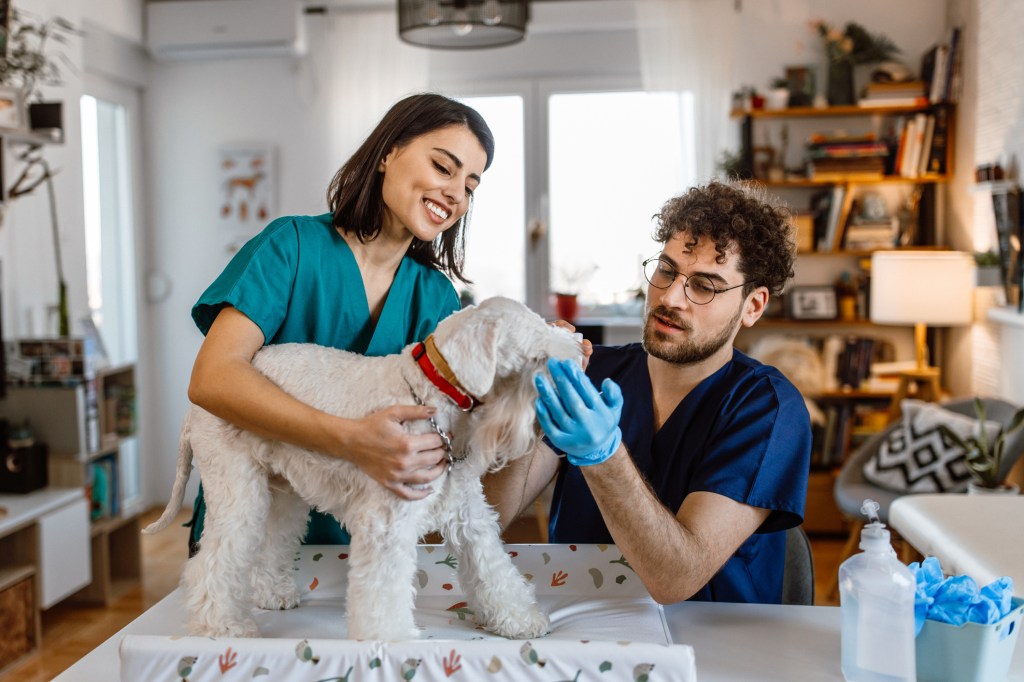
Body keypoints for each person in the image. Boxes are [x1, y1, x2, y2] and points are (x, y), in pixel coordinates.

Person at [186, 93, 494, 555]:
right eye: (443, 168)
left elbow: (454, 422)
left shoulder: (435, 298)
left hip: (365, 547)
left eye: (470, 186)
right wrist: (350, 440)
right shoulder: (290, 247)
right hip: (248, 536)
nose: (456, 195)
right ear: (388, 153)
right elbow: (213, 378)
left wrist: (535, 363)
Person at [486, 180, 811, 604]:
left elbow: (675, 579)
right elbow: (491, 515)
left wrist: (602, 454)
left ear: (753, 306)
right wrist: (526, 404)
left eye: (705, 285)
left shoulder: (767, 409)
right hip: (577, 620)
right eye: (666, 269)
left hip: (713, 643)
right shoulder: (591, 370)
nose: (671, 296)